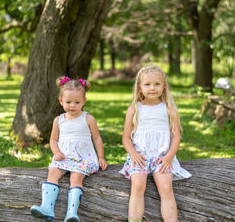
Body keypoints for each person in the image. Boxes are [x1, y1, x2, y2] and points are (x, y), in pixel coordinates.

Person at [120, 65, 191, 222]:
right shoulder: (134, 109)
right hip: (140, 156)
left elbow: (176, 137)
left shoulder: (169, 109)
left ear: (164, 86)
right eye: (147, 84)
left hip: (162, 157)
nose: (152, 88)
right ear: (139, 87)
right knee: (137, 185)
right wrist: (133, 154)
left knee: (166, 188)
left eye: (157, 84)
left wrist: (168, 157)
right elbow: (126, 137)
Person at [31, 76, 107, 222]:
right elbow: (53, 140)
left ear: (84, 101)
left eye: (77, 102)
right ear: (61, 101)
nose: (72, 105)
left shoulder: (88, 119)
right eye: (68, 102)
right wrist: (57, 152)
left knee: (76, 176)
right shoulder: (58, 120)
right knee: (52, 172)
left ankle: (71, 213)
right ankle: (47, 208)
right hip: (64, 157)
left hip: (83, 158)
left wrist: (101, 157)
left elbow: (97, 138)